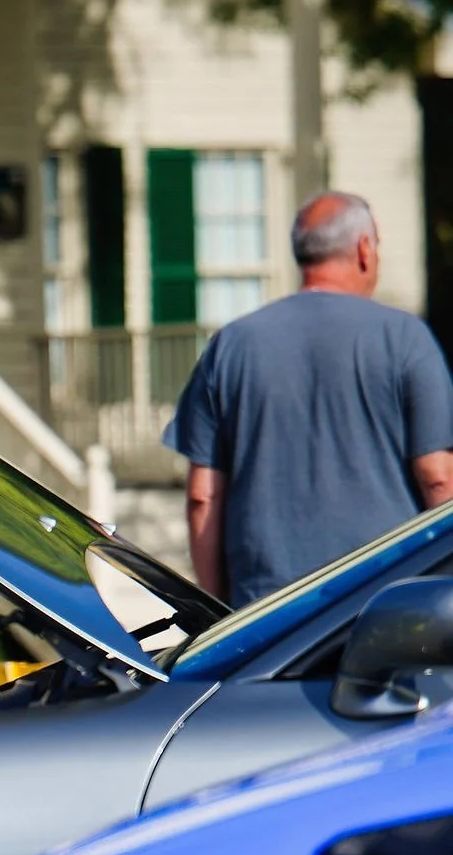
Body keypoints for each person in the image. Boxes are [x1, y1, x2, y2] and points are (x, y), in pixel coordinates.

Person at [170, 190, 453, 607]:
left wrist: (219, 615)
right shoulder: (406, 339)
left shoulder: (231, 345)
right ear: (363, 249)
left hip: (267, 614)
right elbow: (439, 479)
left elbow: (203, 497)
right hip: (386, 606)